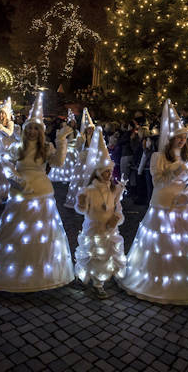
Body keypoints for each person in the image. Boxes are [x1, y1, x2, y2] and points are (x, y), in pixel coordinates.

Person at [0, 93, 74, 292]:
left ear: (41, 131)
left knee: (41, 234)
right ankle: (14, 268)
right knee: (17, 232)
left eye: (36, 128)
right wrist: (15, 178)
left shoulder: (46, 148)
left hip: (42, 195)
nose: (32, 132)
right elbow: (5, 163)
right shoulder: (16, 148)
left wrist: (62, 140)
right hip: (20, 195)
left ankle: (40, 271)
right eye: (30, 128)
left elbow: (58, 163)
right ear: (26, 129)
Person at [119, 100, 188, 305]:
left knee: (180, 244)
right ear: (169, 139)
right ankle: (155, 279)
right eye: (177, 137)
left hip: (183, 206)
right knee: (161, 243)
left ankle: (180, 279)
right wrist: (175, 171)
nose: (181, 141)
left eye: (184, 138)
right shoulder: (158, 157)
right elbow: (158, 183)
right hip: (163, 204)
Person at [74, 127, 127, 299]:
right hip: (93, 227)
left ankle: (99, 283)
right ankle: (85, 277)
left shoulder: (114, 189)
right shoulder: (89, 190)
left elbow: (118, 208)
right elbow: (82, 209)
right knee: (92, 255)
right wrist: (81, 203)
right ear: (97, 172)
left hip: (108, 229)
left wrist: (116, 218)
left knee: (104, 257)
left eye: (110, 172)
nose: (108, 175)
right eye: (105, 171)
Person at [65, 108, 96, 208]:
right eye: (88, 128)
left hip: (92, 160)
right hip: (83, 159)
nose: (90, 130)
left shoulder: (95, 137)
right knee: (80, 179)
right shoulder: (81, 137)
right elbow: (79, 147)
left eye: (91, 128)